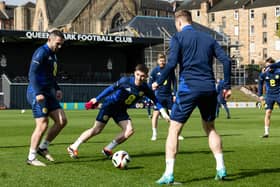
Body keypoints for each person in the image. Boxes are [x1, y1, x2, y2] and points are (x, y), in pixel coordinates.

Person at [152, 9, 231, 184]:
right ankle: (221, 168)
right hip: (209, 88)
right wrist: (226, 85)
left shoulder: (178, 38)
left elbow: (171, 63)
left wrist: (159, 81)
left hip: (188, 88)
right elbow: (226, 61)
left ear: (179, 23)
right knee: (210, 128)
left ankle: (169, 174)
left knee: (174, 129)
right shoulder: (209, 38)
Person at [67, 64, 170, 159]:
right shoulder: (125, 81)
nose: (139, 78)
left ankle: (108, 149)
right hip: (110, 105)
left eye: (142, 76)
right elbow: (110, 89)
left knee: (129, 130)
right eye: (138, 75)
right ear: (135, 73)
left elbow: (156, 100)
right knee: (97, 129)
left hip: (121, 110)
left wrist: (164, 113)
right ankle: (73, 146)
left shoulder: (145, 88)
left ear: (146, 76)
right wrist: (97, 99)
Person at [26, 30, 67, 166]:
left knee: (62, 121)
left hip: (49, 92)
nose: (60, 47)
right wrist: (38, 92)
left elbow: (50, 75)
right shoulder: (41, 52)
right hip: (37, 92)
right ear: (50, 39)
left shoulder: (53, 55)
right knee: (43, 124)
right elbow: (32, 73)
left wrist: (57, 88)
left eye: (61, 44)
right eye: (58, 44)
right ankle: (31, 157)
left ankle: (42, 147)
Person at [149, 53, 184, 141]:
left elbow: (174, 82)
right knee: (155, 115)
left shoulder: (169, 70)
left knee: (173, 115)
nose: (162, 62)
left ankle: (176, 134)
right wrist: (152, 94)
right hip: (158, 96)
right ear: (157, 61)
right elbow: (150, 84)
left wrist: (175, 94)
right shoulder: (154, 71)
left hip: (168, 96)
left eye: (164, 60)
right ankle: (154, 134)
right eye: (160, 60)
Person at [258, 57, 280, 138]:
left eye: (269, 66)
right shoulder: (264, 74)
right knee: (268, 113)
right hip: (269, 96)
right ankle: (266, 133)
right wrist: (260, 95)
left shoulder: (278, 72)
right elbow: (260, 84)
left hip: (279, 95)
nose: (267, 68)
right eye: (266, 66)